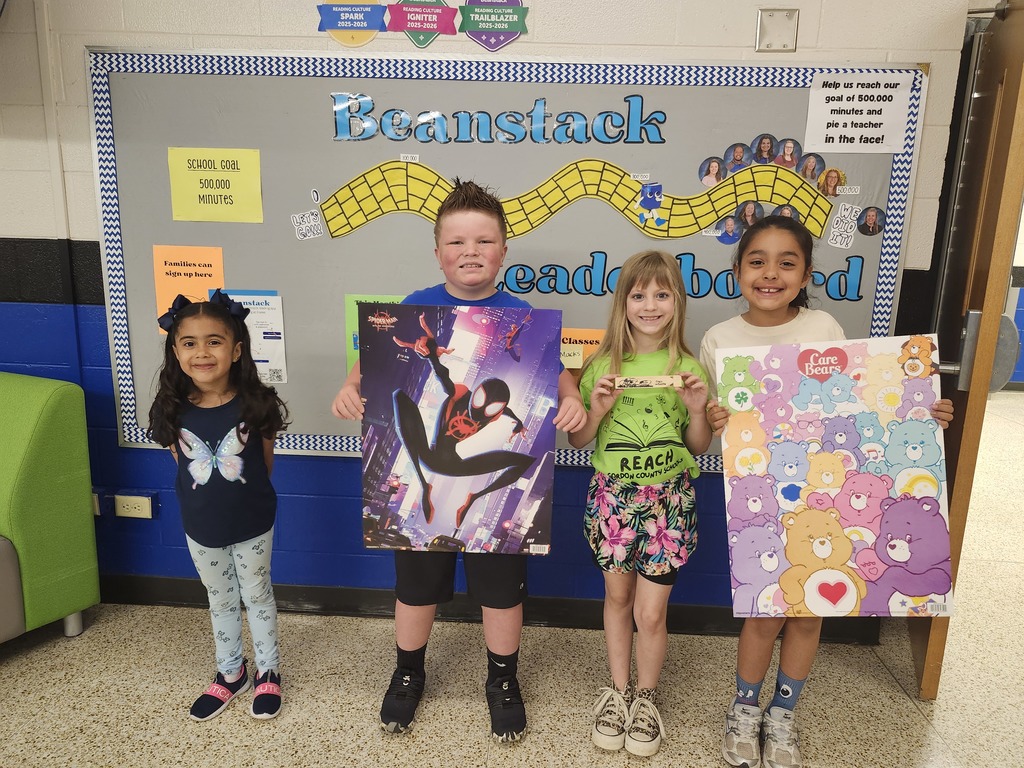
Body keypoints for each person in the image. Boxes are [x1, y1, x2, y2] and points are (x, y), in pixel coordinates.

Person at [331, 179, 587, 742]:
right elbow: (364, 371)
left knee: (501, 589)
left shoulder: (524, 316)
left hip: (481, 495)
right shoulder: (414, 309)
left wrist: (570, 400)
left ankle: (502, 679)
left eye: (484, 240)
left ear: (503, 251)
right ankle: (407, 672)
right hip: (423, 476)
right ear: (438, 251)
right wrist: (349, 390)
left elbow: (560, 379)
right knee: (415, 587)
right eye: (457, 242)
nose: (470, 252)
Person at [700, 217, 954, 768]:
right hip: (759, 504)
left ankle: (783, 714)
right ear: (737, 270)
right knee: (765, 612)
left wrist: (920, 409)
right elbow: (707, 427)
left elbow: (862, 407)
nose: (771, 273)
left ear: (806, 273)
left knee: (810, 612)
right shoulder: (719, 338)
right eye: (757, 261)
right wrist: (716, 418)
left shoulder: (825, 326)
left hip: (825, 495)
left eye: (786, 262)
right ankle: (744, 710)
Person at [570, 250, 711, 758]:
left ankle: (646, 697)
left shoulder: (689, 368)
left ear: (677, 300)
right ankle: (617, 691)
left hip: (669, 504)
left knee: (652, 614)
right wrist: (597, 408)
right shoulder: (602, 367)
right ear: (622, 302)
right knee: (618, 601)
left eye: (662, 294)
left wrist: (698, 411)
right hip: (614, 502)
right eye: (639, 295)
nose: (650, 305)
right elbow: (581, 439)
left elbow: (698, 447)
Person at [148, 290, 289, 722]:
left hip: (253, 522)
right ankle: (231, 674)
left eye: (215, 341)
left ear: (236, 349)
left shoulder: (257, 405)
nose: (202, 352)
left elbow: (263, 465)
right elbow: (186, 469)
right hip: (201, 526)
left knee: (258, 595)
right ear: (176, 351)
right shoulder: (171, 410)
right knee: (220, 599)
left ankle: (268, 672)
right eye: (189, 343)